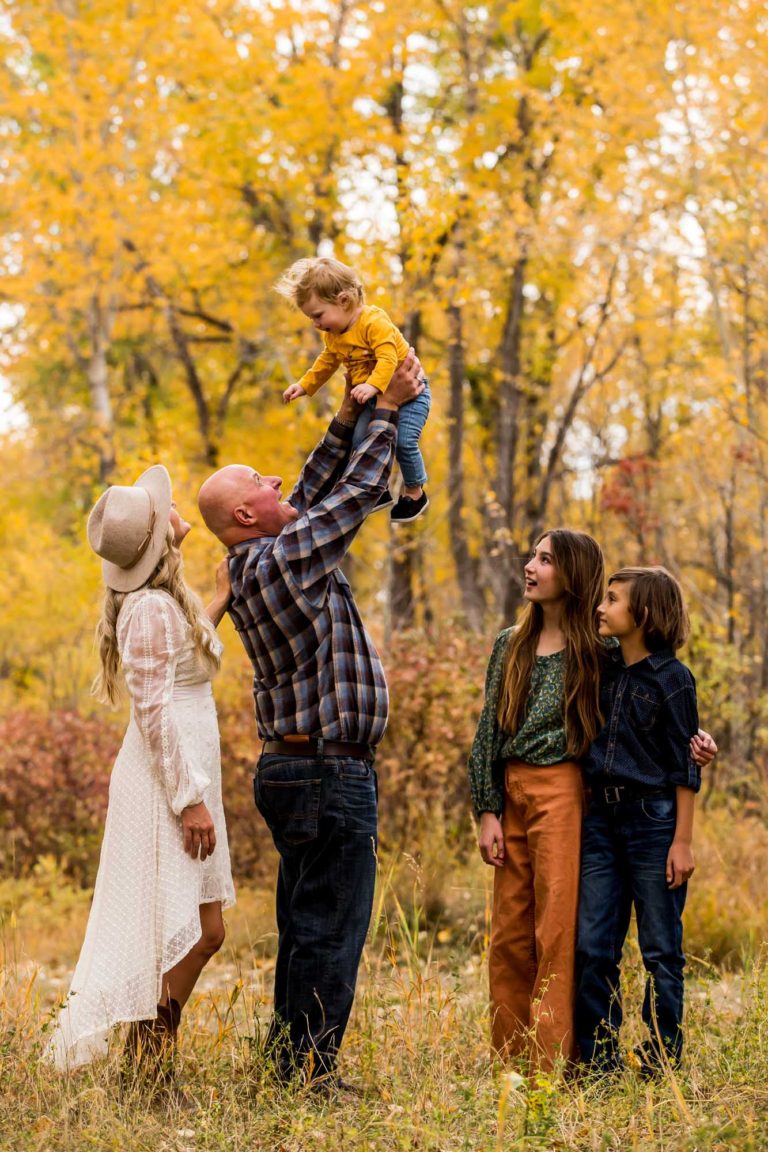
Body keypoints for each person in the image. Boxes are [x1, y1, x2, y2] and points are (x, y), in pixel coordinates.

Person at [197, 356, 425, 1091]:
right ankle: (309, 1074)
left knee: (304, 922)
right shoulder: (286, 558)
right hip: (328, 769)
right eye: (262, 482)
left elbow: (313, 486)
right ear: (243, 516)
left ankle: (289, 1060)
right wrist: (388, 411)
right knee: (331, 926)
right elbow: (356, 492)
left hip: (295, 765)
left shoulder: (263, 553)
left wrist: (346, 419)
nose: (276, 483)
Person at [467, 534, 714, 1072]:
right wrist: (486, 807)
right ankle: (510, 1057)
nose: (530, 566)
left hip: (569, 793)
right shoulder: (510, 643)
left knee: (559, 928)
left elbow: (656, 703)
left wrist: (699, 742)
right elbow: (490, 727)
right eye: (532, 556)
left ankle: (559, 1057)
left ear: (572, 575)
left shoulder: (598, 650)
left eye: (545, 559)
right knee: (510, 928)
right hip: (512, 792)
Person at [46, 465, 235, 1088]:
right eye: (169, 507)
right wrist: (188, 801)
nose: (178, 506)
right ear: (158, 538)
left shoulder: (160, 604)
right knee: (196, 932)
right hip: (168, 782)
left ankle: (148, 1065)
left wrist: (221, 598)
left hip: (184, 773)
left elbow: (181, 663)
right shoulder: (150, 608)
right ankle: (149, 1070)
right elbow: (153, 712)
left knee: (198, 930)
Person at [575, 567, 702, 1077]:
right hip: (600, 820)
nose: (601, 607)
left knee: (660, 948)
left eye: (613, 599)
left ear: (643, 614)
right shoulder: (601, 665)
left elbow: (685, 765)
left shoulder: (674, 679)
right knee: (593, 944)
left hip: (653, 820)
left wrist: (683, 842)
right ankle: (598, 1059)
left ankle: (660, 1060)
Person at [275, 256, 431, 523]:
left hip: (410, 393)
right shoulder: (333, 335)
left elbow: (388, 358)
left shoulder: (373, 322)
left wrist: (372, 385)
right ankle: (377, 490)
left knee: (404, 441)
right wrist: (304, 385)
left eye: (318, 315)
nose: (315, 323)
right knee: (359, 443)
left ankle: (415, 492)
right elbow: (326, 362)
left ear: (344, 301)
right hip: (371, 396)